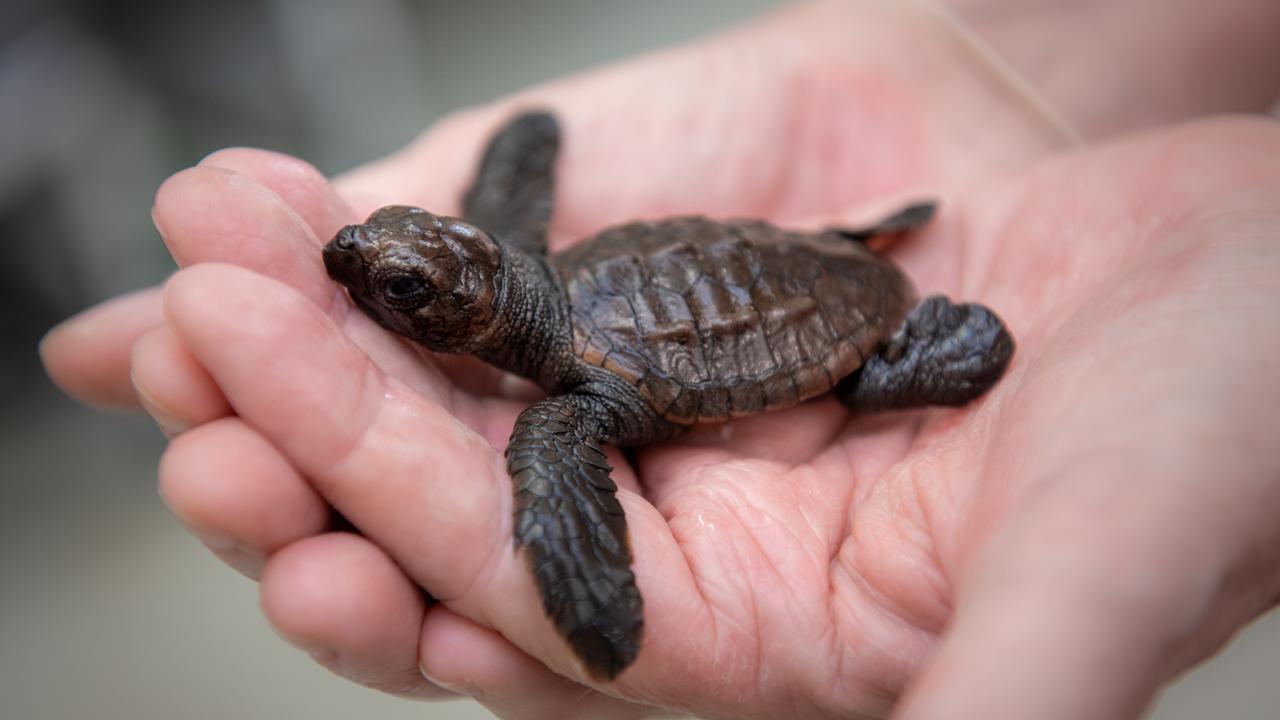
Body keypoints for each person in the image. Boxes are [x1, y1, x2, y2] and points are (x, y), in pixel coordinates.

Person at [40, 1, 1280, 717]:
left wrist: (587, 586)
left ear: (473, 298)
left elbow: (522, 167)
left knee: (882, 373)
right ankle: (872, 276)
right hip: (762, 254)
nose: (363, 262)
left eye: (400, 282)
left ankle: (901, 355)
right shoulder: (523, 277)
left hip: (808, 312)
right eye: (389, 272)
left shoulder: (566, 390)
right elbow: (516, 163)